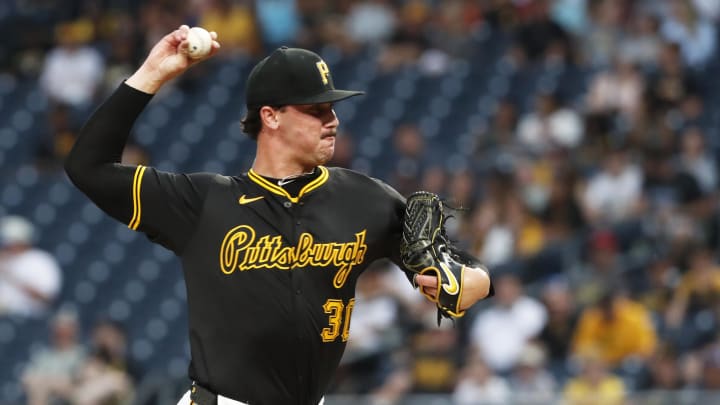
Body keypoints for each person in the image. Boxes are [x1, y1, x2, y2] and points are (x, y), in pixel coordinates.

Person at [64, 25, 492, 405]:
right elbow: (88, 167)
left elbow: (462, 270)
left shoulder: (365, 198)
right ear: (270, 116)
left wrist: (472, 283)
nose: (333, 120)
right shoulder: (202, 201)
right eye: (315, 109)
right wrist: (152, 74)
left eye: (333, 107)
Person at [0, 215, 62, 317]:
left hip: (28, 317)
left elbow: (47, 298)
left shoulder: (40, 260)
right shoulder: (4, 258)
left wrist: (11, 277)